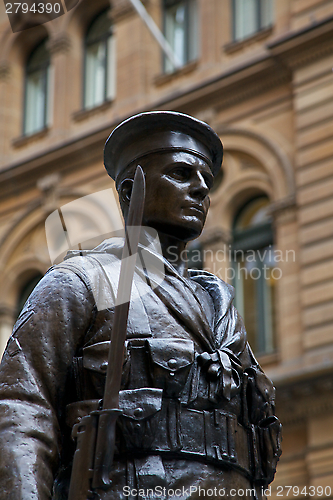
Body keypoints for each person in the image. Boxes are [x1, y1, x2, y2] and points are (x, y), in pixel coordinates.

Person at [0, 112, 281, 500]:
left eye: (206, 180)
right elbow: (22, 408)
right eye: (182, 174)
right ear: (131, 192)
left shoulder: (219, 305)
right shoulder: (84, 280)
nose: (201, 190)